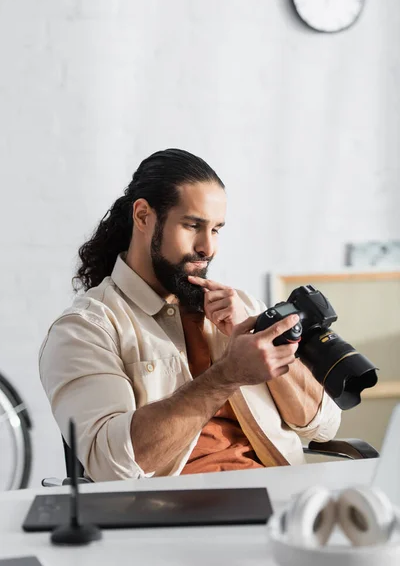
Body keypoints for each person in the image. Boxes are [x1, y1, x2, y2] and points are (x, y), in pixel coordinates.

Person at [39, 148, 341, 482]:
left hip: (283, 495)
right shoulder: (85, 329)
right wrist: (227, 375)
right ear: (143, 217)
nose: (208, 247)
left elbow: (322, 425)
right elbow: (112, 466)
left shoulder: (241, 307)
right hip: (173, 515)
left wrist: (259, 340)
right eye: (193, 225)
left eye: (216, 229)